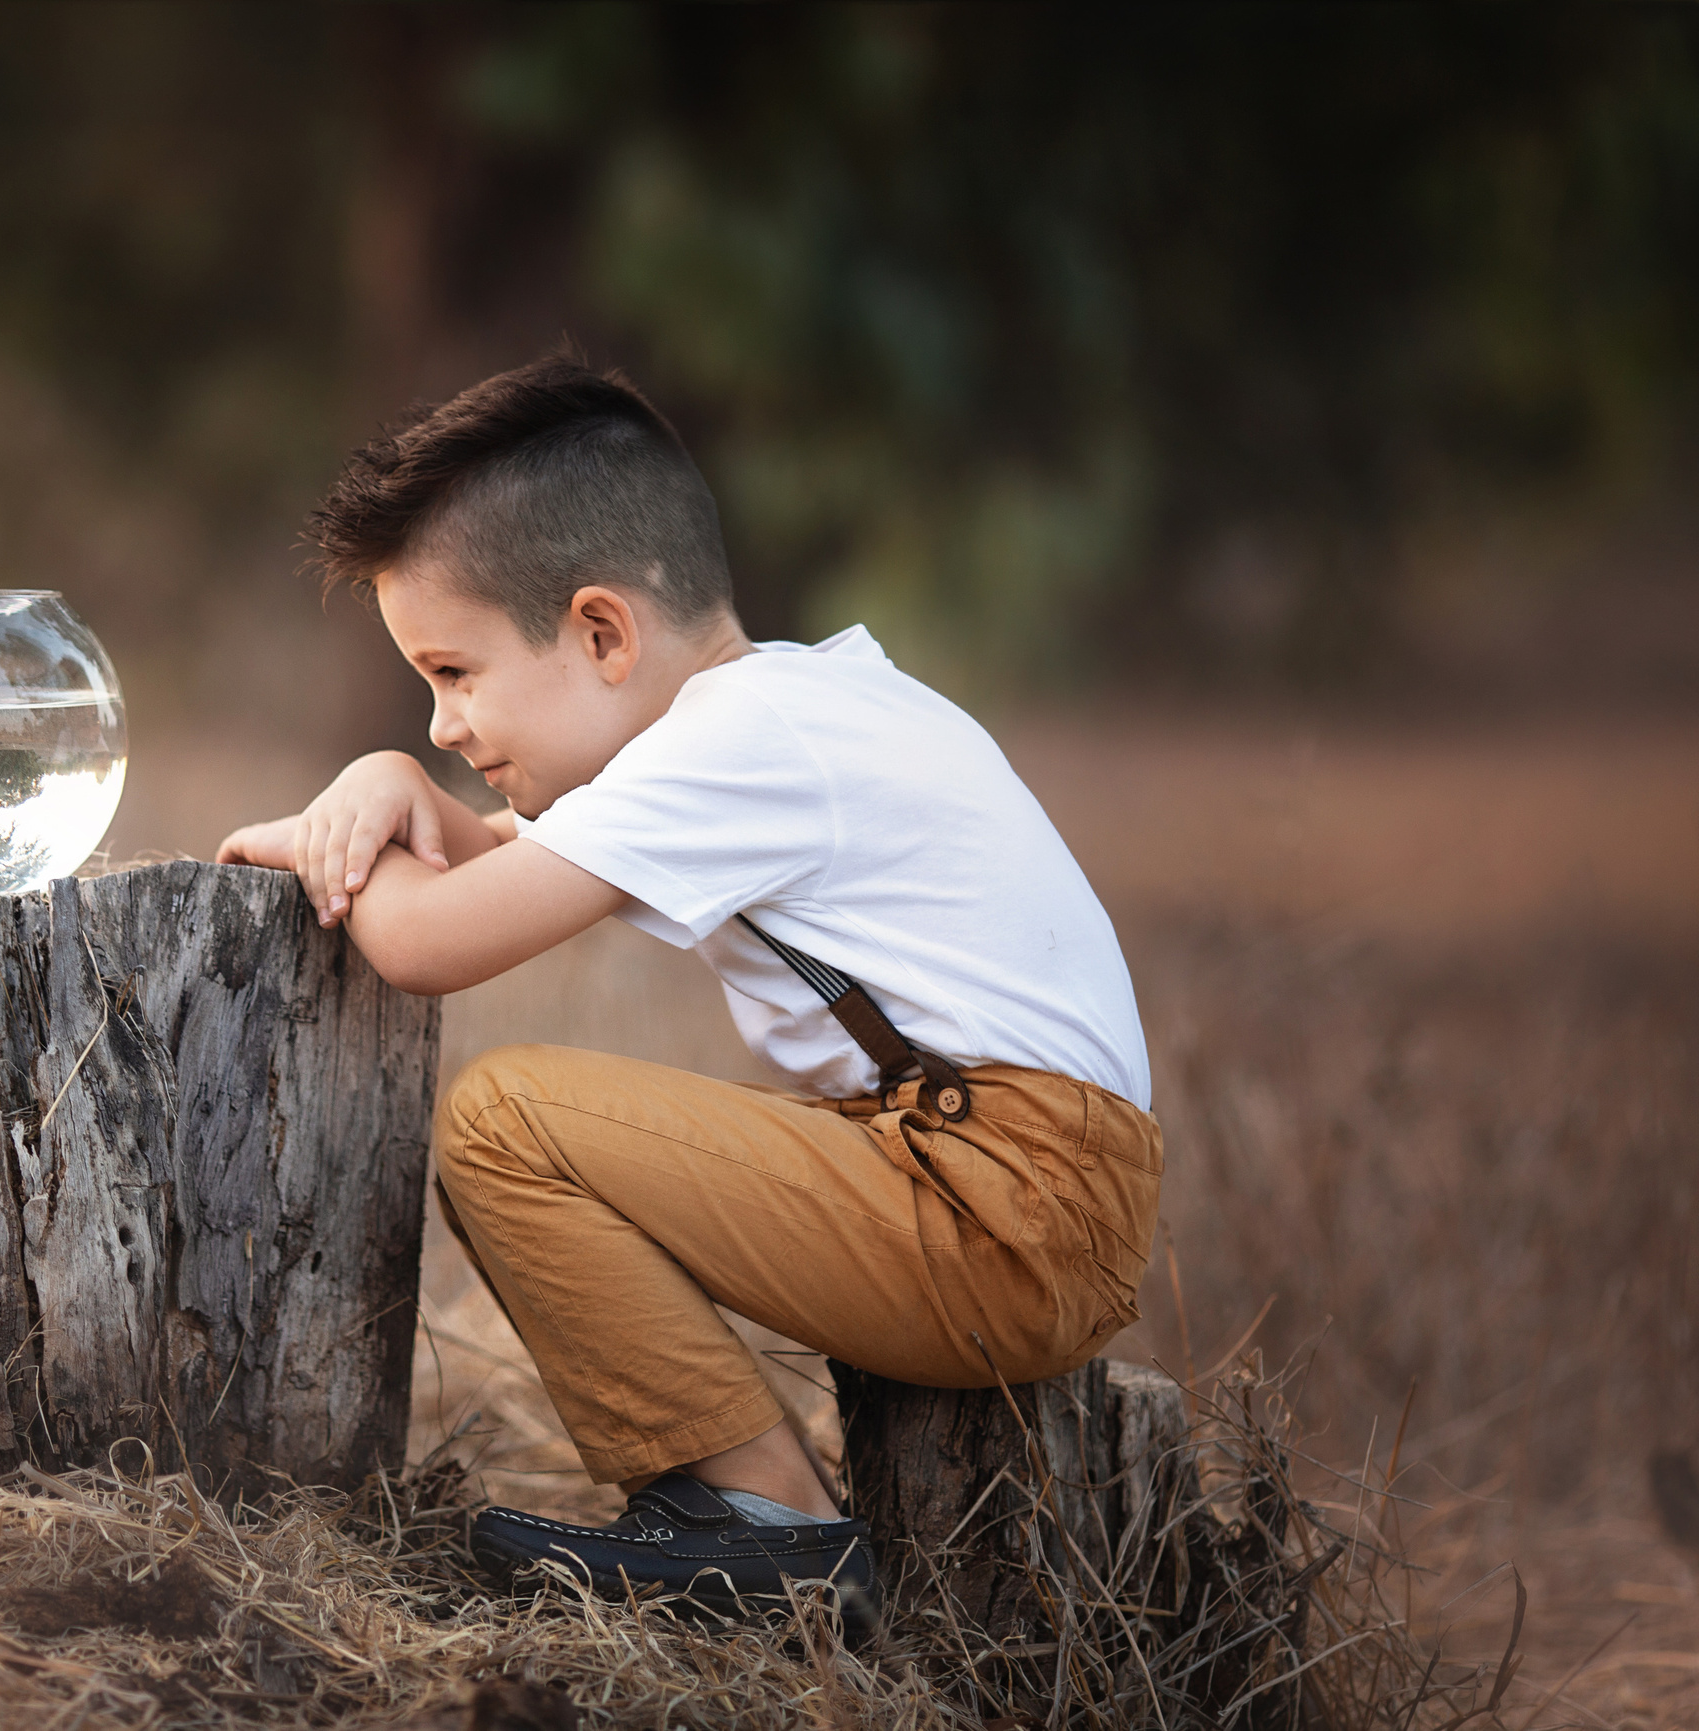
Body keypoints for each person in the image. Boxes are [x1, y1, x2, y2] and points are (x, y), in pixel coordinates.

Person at [216, 356, 1160, 1618]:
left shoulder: (740, 743)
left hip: (1008, 1206)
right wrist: (390, 786)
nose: (443, 723)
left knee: (507, 1124)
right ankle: (757, 1513)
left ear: (602, 633)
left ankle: (763, 1525)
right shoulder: (794, 707)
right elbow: (497, 854)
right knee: (543, 1116)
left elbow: (427, 941)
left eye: (453, 673)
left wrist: (325, 842)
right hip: (1013, 1182)